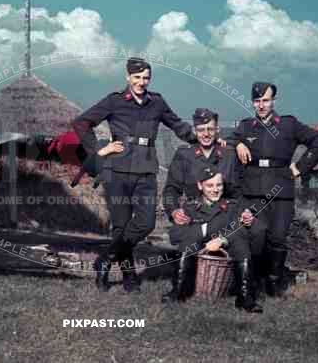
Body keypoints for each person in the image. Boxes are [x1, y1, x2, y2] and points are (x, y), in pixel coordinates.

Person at [70, 57, 215, 293]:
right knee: (121, 226)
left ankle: (105, 259)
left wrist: (203, 139)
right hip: (116, 171)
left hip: (146, 170)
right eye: (137, 77)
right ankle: (129, 277)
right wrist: (99, 150)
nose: (141, 82)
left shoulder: (156, 102)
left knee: (145, 223)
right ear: (127, 77)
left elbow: (177, 125)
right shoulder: (114, 101)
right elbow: (81, 123)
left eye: (146, 77)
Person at [230, 82, 318, 297]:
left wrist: (300, 167)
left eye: (265, 100)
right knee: (255, 237)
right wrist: (237, 143)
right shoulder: (246, 127)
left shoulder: (288, 124)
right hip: (253, 190)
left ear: (274, 101)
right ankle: (253, 280)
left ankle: (274, 282)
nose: (261, 105)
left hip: (281, 189)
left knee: (277, 237)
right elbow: (228, 140)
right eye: (257, 101)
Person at [162, 165, 266, 313]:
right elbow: (174, 236)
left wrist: (225, 238)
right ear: (199, 185)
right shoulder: (190, 207)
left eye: (219, 185)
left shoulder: (233, 206)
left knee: (240, 241)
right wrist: (204, 229)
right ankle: (178, 291)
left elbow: (258, 230)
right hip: (200, 248)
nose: (215, 190)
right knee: (188, 241)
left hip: (228, 248)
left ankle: (245, 298)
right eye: (209, 185)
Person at [163, 108, 242, 227]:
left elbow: (239, 192)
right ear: (194, 131)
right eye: (201, 130)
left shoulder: (229, 155)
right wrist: (174, 211)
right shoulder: (184, 155)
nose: (206, 134)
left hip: (224, 218)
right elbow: (171, 190)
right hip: (193, 217)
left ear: (217, 130)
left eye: (210, 129)